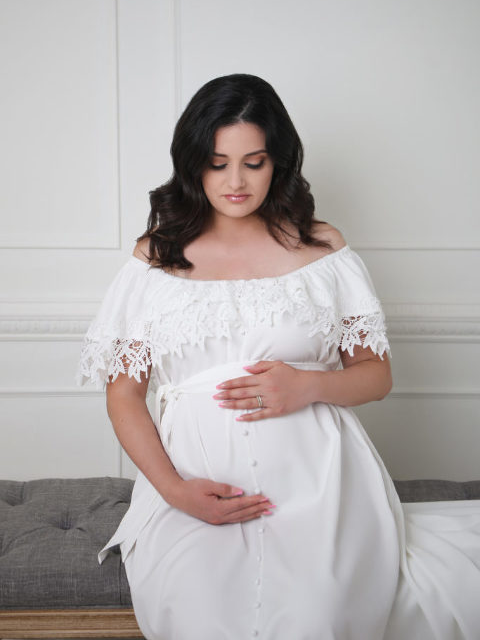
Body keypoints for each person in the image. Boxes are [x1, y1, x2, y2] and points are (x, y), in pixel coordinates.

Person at [76, 73, 480, 640]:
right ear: (193, 163)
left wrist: (308, 386)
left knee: (316, 618)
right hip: (195, 484)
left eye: (254, 161)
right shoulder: (156, 257)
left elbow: (377, 376)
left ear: (279, 162)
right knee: (200, 617)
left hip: (319, 481)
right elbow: (124, 395)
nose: (235, 181)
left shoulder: (322, 248)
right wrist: (174, 491)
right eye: (217, 163)